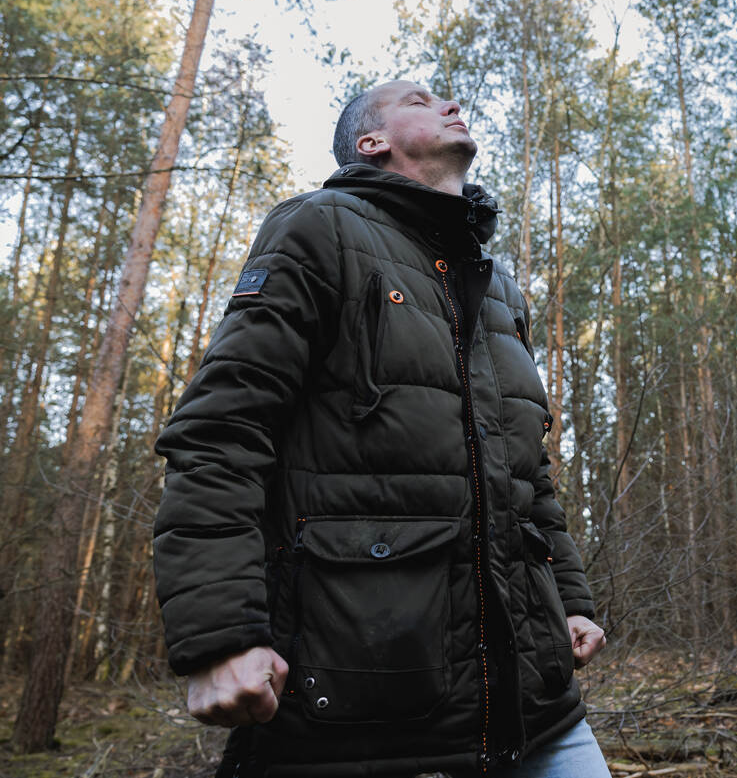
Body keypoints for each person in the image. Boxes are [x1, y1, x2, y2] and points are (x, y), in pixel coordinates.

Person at [152, 80, 609, 778]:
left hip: (539, 709)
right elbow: (222, 430)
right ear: (372, 142)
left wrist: (568, 600)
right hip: (362, 718)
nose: (451, 104)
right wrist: (220, 635)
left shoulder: (500, 288)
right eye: (423, 100)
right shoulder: (319, 227)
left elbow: (529, 473)